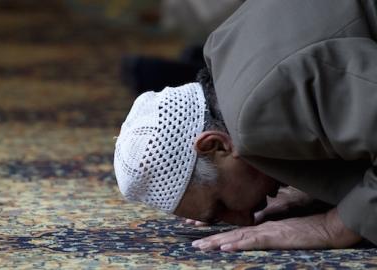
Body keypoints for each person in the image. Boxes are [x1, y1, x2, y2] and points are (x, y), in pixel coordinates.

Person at [114, 0, 377, 251]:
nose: (244, 221)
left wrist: (333, 226)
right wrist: (314, 187)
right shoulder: (221, 45)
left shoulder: (256, 110)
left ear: (216, 145)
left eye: (221, 207)